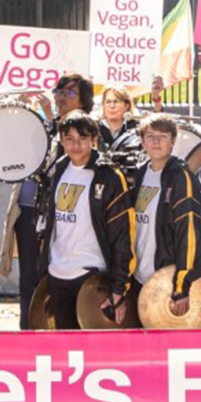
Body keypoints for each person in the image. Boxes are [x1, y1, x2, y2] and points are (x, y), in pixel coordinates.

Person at [34, 113, 133, 329]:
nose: (76, 145)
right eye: (69, 139)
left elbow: (122, 235)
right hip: (58, 272)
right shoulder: (59, 168)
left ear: (94, 139)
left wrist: (118, 288)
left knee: (93, 352)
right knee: (64, 349)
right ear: (61, 140)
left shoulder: (109, 176)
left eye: (83, 138)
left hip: (91, 276)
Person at [13, 72, 91, 323]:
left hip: (68, 217)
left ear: (83, 101)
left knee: (56, 277)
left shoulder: (90, 130)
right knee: (29, 277)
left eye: (69, 93)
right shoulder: (45, 125)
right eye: (59, 92)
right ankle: (28, 329)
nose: (61, 98)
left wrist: (51, 117)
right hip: (31, 209)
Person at [123, 115, 201, 318]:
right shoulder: (141, 172)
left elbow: (188, 233)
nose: (156, 141)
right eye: (150, 136)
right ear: (142, 142)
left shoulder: (181, 177)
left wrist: (182, 284)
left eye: (162, 136)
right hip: (139, 277)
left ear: (173, 141)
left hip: (167, 279)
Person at [96, 85, 141, 154]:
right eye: (108, 102)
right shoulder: (94, 127)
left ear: (126, 106)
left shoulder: (136, 128)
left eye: (116, 102)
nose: (112, 106)